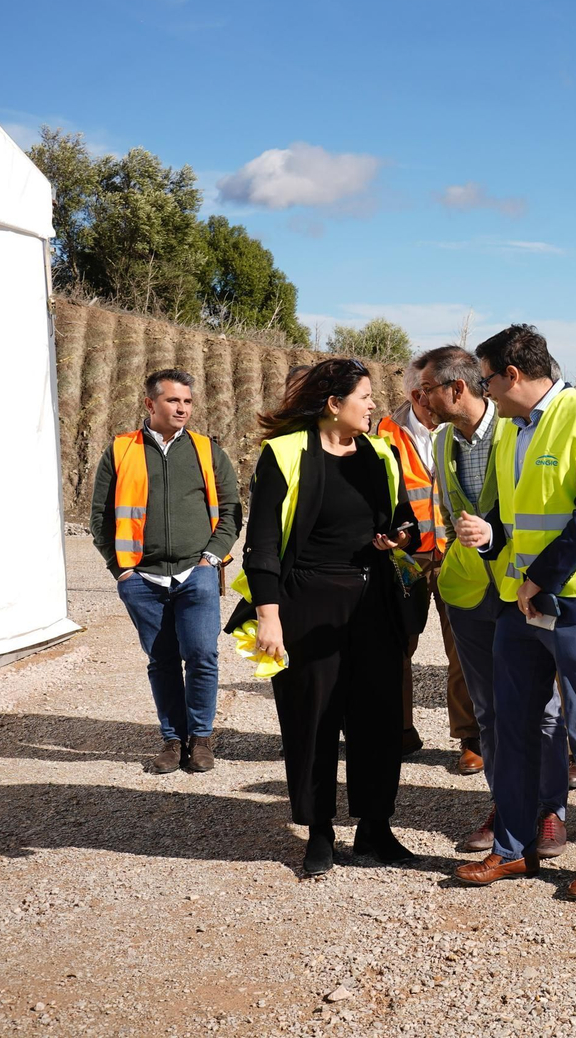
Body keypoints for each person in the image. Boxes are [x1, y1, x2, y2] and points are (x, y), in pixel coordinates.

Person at [453, 326, 576, 900]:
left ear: (512, 374)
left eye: (483, 379)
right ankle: (512, 850)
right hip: (525, 601)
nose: (480, 391)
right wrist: (490, 539)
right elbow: (520, 520)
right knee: (511, 728)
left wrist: (539, 578)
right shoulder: (515, 432)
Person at [233, 357, 420, 876]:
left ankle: (376, 828)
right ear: (334, 404)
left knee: (379, 717)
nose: (374, 405)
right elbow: (263, 544)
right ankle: (318, 831)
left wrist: (400, 536)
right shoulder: (285, 453)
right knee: (312, 718)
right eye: (365, 396)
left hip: (374, 601)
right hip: (307, 602)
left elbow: (406, 522)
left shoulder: (382, 452)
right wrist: (269, 616)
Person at [425, 345, 570, 859]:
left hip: (520, 588)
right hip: (468, 594)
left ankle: (551, 808)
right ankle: (507, 805)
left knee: (542, 708)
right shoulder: (441, 442)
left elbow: (541, 508)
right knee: (488, 712)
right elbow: (449, 512)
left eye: (426, 390)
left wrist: (499, 539)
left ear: (456, 388)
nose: (420, 400)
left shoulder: (518, 430)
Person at [90, 368, 241, 774]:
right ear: (150, 403)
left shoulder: (207, 450)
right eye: (174, 400)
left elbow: (231, 510)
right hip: (142, 578)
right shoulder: (121, 450)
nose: (182, 408)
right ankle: (173, 742)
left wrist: (212, 557)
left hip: (197, 572)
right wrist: (120, 570)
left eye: (188, 401)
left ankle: (202, 739)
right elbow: (100, 516)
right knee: (162, 661)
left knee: (203, 655)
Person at [376, 356, 478, 767]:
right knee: (395, 647)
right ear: (417, 395)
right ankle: (398, 730)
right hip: (406, 559)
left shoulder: (467, 430)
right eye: (430, 391)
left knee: (466, 647)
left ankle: (471, 738)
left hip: (458, 555)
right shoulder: (382, 434)